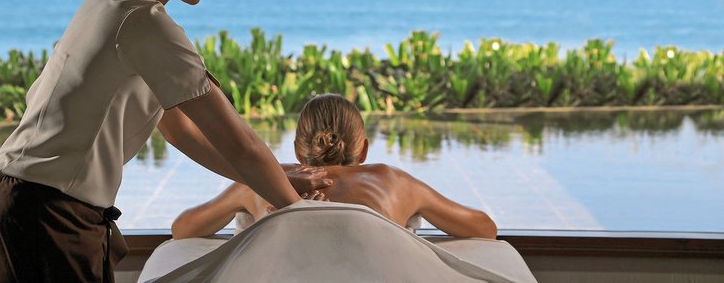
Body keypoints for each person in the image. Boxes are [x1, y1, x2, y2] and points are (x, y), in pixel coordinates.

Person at [0, 0, 330, 283]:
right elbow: (239, 144)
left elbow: (181, 131)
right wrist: (301, 214)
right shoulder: (145, 22)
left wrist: (274, 179)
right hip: (42, 223)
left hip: (15, 209)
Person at [172, 93, 498, 240]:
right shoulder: (394, 181)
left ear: (298, 154)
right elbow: (484, 228)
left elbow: (183, 229)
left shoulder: (263, 180)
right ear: (364, 149)